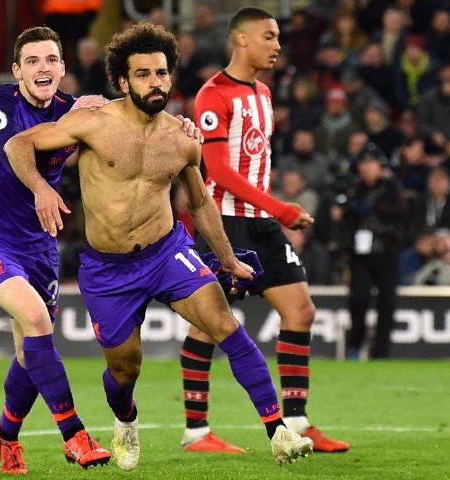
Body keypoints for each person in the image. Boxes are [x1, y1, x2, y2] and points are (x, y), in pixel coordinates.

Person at [4, 22, 314, 470]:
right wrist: (39, 188)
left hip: (167, 253)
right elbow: (18, 144)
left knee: (224, 323)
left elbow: (202, 202)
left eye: (162, 73)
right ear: (124, 81)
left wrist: (228, 260)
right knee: (125, 370)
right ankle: (126, 417)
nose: (156, 82)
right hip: (108, 269)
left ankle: (278, 430)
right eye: (144, 74)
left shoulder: (182, 138)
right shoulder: (92, 122)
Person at [183, 7, 350, 454]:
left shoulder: (263, 92)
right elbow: (215, 167)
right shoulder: (212, 95)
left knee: (301, 311)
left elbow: (251, 162)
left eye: (277, 37)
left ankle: (296, 421)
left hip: (261, 224)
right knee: (209, 323)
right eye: (268, 36)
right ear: (241, 40)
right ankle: (196, 432)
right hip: (225, 223)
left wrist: (272, 211)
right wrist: (280, 207)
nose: (277, 45)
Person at [0, 26, 113, 474]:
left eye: (50, 60)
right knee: (37, 319)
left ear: (63, 68)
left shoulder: (70, 111)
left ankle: (5, 434)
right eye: (32, 61)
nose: (42, 69)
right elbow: (13, 151)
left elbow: (126, 126)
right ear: (17, 70)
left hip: (40, 246)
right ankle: (75, 435)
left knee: (31, 348)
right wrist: (44, 186)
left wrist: (169, 121)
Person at [341, 144, 406, 359]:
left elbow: (401, 216)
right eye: (364, 163)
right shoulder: (354, 188)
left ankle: (380, 352)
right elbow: (346, 220)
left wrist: (379, 221)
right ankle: (355, 347)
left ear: (380, 166)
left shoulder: (392, 188)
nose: (367, 168)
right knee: (358, 300)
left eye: (371, 163)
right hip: (361, 254)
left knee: (386, 304)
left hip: (387, 251)